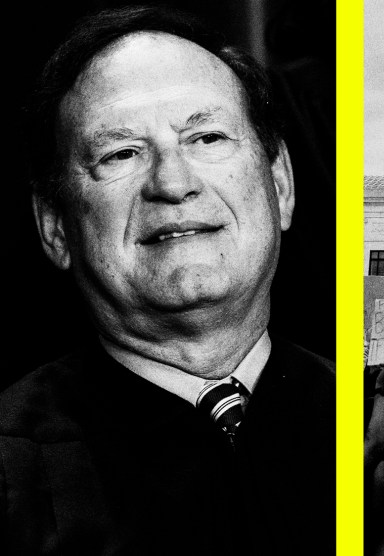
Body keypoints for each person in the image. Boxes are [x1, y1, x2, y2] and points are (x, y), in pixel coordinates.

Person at [0, 6, 334, 555]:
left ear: (282, 185)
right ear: (56, 227)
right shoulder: (13, 472)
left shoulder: (367, 431)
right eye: (121, 153)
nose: (173, 183)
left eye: (206, 138)